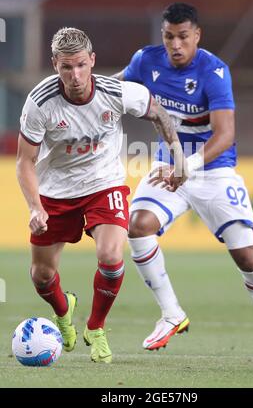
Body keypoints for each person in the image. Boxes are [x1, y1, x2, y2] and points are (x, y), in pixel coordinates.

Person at [113, 2, 253, 355]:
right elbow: (111, 88)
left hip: (213, 171)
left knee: (246, 257)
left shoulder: (214, 71)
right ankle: (170, 313)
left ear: (197, 35)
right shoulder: (145, 61)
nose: (175, 45)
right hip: (167, 168)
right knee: (137, 226)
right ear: (162, 36)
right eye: (169, 37)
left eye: (183, 36)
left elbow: (225, 134)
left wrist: (189, 166)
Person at [16, 27, 187, 364]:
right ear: (55, 65)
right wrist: (35, 207)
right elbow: (25, 161)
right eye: (66, 67)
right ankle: (64, 315)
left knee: (110, 256)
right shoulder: (39, 103)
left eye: (81, 65)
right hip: (56, 192)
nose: (75, 75)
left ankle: (96, 327)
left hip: (103, 184)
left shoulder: (115, 92)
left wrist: (178, 158)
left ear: (92, 61)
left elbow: (158, 113)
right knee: (42, 276)